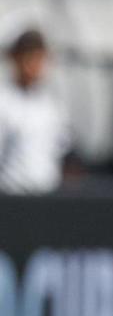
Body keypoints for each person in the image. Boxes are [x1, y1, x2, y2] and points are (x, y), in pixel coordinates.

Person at [0, 29, 70, 194]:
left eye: (39, 58)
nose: (35, 65)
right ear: (16, 59)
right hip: (11, 199)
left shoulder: (51, 104)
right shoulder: (4, 101)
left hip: (47, 198)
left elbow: (62, 147)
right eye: (29, 57)